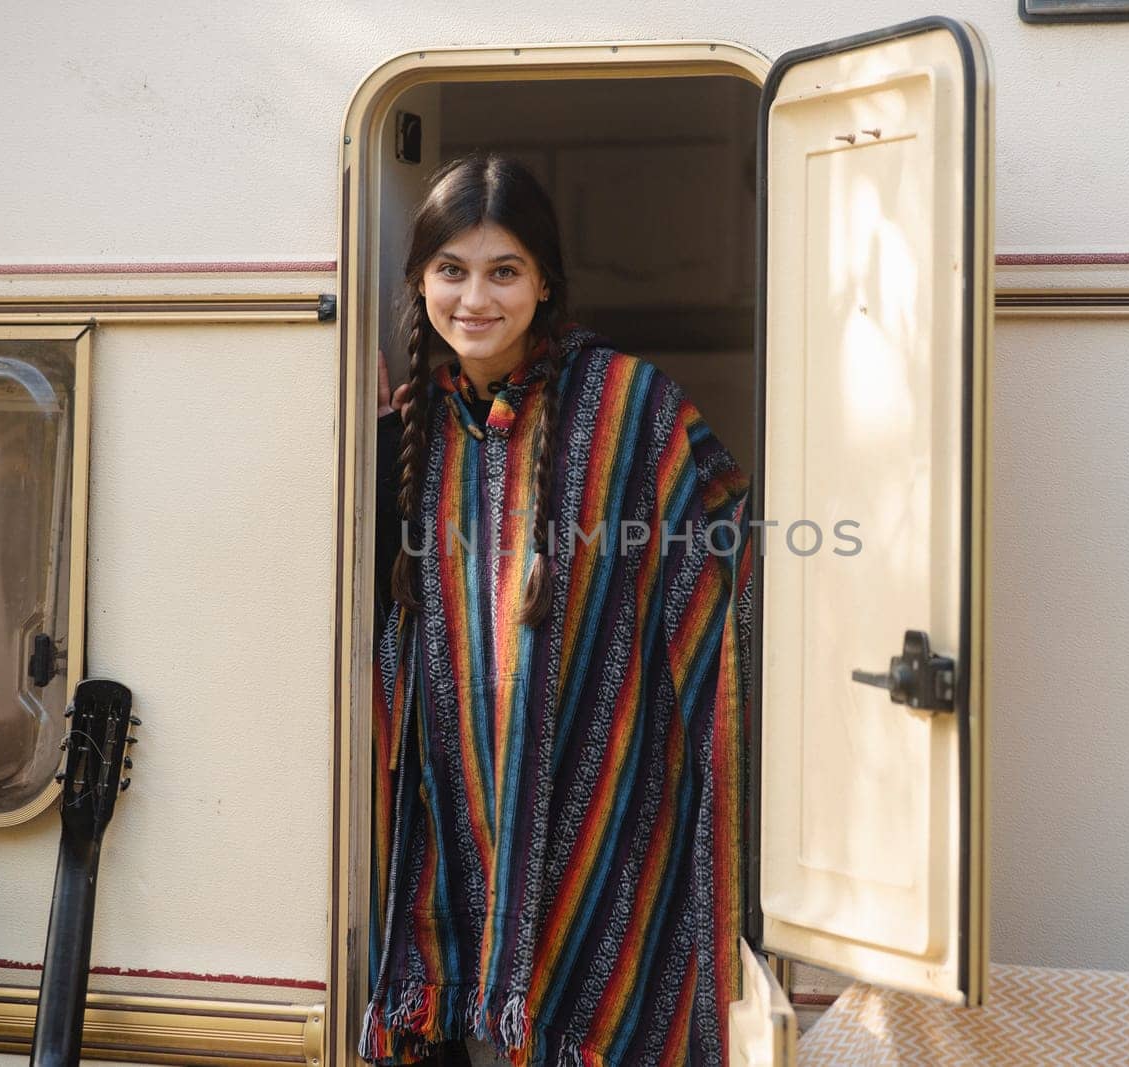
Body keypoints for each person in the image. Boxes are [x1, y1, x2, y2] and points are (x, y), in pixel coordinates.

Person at [366, 153, 754, 1067]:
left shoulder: (629, 405)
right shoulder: (408, 427)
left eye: (504, 271)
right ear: (420, 279)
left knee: (602, 990)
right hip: (452, 791)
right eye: (451, 270)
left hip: (607, 779)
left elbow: (724, 545)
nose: (475, 298)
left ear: (545, 282)